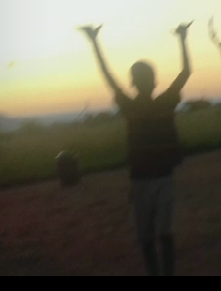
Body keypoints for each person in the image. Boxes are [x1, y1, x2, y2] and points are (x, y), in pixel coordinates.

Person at [80, 21, 192, 276]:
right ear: (154, 81)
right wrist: (183, 39)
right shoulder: (166, 103)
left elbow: (107, 76)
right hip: (163, 177)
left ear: (132, 82)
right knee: (164, 232)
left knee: (146, 236)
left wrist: (95, 43)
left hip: (141, 179)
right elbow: (186, 72)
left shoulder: (130, 107)